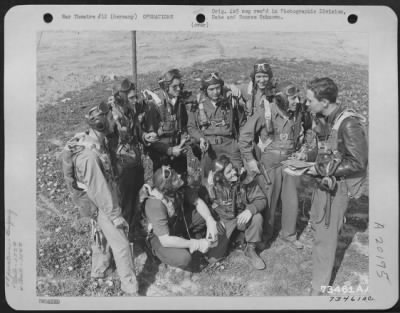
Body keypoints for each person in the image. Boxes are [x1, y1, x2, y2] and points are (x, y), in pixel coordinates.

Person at [61, 101, 138, 295]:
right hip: (102, 201)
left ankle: (99, 270)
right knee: (121, 244)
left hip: (102, 197)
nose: (115, 121)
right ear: (101, 124)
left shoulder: (97, 139)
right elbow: (99, 189)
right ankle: (130, 287)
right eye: (111, 119)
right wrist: (115, 215)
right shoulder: (89, 157)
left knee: (100, 235)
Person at [304, 77, 368, 295]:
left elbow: (358, 161)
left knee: (326, 237)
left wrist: (322, 170)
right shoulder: (326, 117)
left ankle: (318, 289)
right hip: (325, 183)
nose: (306, 103)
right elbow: (329, 149)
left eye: (309, 99)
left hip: (336, 187)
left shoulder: (348, 123)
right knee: (318, 223)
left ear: (324, 101)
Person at [239, 81, 315, 249]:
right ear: (281, 99)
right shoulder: (266, 112)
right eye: (292, 98)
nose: (296, 101)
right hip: (269, 165)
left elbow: (309, 131)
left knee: (291, 200)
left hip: (291, 162)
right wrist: (250, 160)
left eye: (297, 98)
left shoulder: (299, 112)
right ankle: (265, 235)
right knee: (269, 202)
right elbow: (244, 137)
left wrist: (305, 149)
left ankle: (289, 234)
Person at [140, 165, 223, 270]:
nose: (179, 176)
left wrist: (210, 220)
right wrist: (195, 244)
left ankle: (188, 239)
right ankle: (154, 251)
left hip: (174, 224)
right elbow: (165, 240)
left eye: (176, 174)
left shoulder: (177, 187)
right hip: (159, 237)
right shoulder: (155, 205)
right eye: (175, 179)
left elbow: (197, 202)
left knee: (205, 214)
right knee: (184, 258)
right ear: (167, 188)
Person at [204, 155, 267, 270]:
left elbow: (261, 199)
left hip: (241, 217)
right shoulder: (211, 186)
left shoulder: (244, 180)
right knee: (212, 258)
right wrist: (213, 222)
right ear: (220, 177)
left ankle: (250, 249)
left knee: (257, 217)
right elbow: (205, 208)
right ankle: (235, 240)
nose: (234, 172)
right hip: (223, 221)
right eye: (229, 172)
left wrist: (250, 210)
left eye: (232, 168)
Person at [187, 72, 245, 181]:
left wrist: (239, 142)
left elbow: (242, 122)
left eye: (218, 88)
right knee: (209, 180)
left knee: (236, 176)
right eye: (211, 89)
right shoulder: (198, 104)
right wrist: (201, 139)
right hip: (210, 147)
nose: (215, 92)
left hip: (230, 145)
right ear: (205, 90)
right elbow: (191, 127)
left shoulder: (230, 101)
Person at [108, 78, 145, 241]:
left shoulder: (130, 111)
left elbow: (136, 134)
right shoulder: (110, 115)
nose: (135, 100)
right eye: (131, 97)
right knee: (125, 202)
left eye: (135, 96)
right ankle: (125, 237)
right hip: (122, 167)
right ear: (120, 97)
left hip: (135, 161)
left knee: (136, 197)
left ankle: (135, 229)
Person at [141, 69, 193, 176]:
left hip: (179, 153)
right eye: (175, 86)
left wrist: (184, 140)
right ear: (166, 86)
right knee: (164, 189)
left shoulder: (179, 102)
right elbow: (151, 140)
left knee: (182, 186)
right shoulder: (154, 106)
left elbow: (183, 126)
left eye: (180, 85)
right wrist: (170, 150)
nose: (179, 89)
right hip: (162, 156)